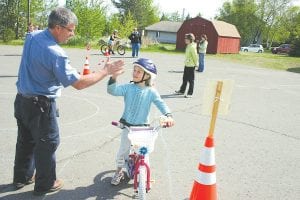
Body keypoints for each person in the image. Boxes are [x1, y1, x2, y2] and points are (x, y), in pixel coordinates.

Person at [13, 7, 124, 196]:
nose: (72, 34)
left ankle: (22, 177)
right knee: (47, 143)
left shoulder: (31, 36)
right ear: (57, 27)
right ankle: (46, 184)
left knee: (26, 140)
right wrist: (106, 71)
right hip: (40, 105)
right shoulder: (55, 53)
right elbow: (78, 83)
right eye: (70, 30)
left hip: (22, 100)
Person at [107, 58, 174, 185]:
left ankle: (145, 172)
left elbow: (161, 104)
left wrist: (169, 116)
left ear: (147, 76)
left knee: (144, 152)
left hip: (143, 128)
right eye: (134, 70)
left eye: (139, 71)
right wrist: (114, 77)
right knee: (123, 151)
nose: (135, 73)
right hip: (127, 126)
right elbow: (112, 90)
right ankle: (119, 171)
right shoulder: (128, 87)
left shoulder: (151, 92)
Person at [175, 33, 198, 98]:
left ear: (190, 39)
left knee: (191, 80)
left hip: (191, 66)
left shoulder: (192, 47)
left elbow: (195, 56)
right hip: (187, 65)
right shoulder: (188, 45)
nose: (185, 40)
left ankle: (190, 93)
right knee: (184, 79)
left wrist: (196, 64)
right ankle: (182, 91)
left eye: (186, 39)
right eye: (185, 38)